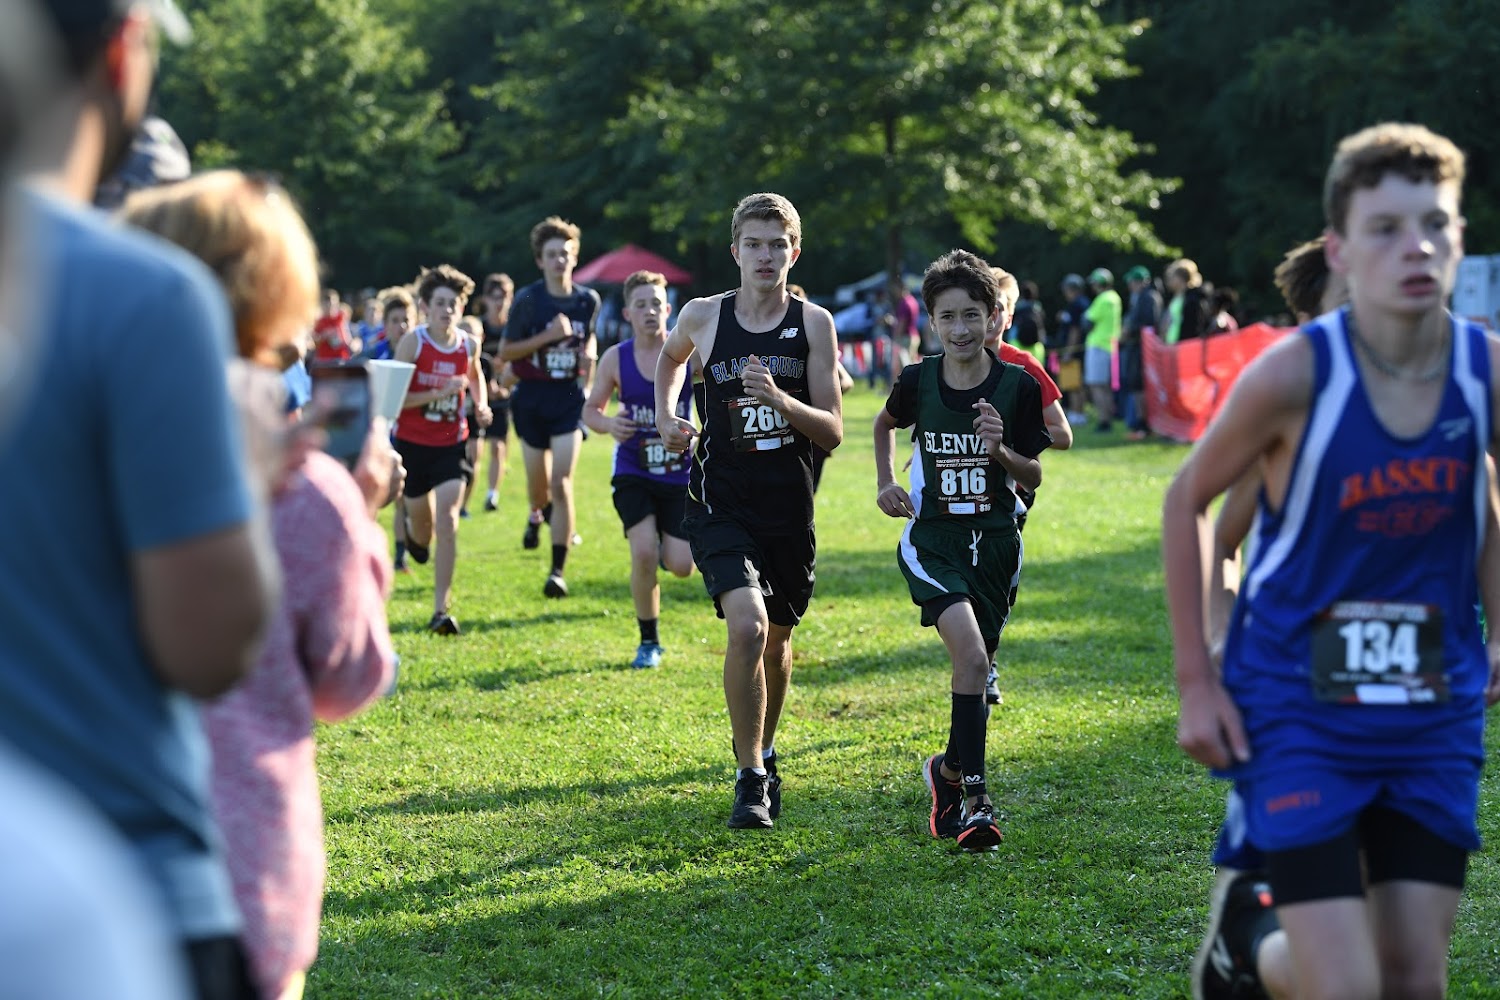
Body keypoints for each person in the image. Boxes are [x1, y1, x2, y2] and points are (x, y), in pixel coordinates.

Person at [1163, 122, 1499, 1000]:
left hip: (1431, 707)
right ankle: (1252, 942)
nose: (1416, 246)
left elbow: (1491, 510)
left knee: (1412, 981)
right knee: (1347, 987)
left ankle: (1250, 942)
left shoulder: (1484, 373)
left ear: (1460, 237)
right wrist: (1198, 678)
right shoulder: (1294, 376)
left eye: (1436, 224)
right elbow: (1188, 502)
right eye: (1386, 229)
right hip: (1298, 705)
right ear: (1340, 250)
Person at [7, 2, 280, 996]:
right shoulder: (141, 297)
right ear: (123, 54)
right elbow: (206, 646)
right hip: (121, 894)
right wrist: (248, 475)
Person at [124, 168, 402, 1000]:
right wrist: (358, 517)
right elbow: (348, 679)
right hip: (239, 876)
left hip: (69, 873)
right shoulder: (303, 490)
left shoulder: (60, 452)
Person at [655, 192, 843, 829]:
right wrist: (666, 415)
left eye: (777, 245)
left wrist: (781, 402)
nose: (766, 256)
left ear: (795, 252)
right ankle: (751, 775)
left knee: (778, 639)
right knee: (749, 627)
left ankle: (764, 747)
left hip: (787, 507)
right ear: (735, 251)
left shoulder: (814, 323)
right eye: (754, 245)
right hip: (720, 502)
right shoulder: (703, 315)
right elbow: (670, 359)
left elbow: (833, 431)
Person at [874, 249, 1050, 850]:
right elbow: (884, 424)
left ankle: (947, 772)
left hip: (997, 545)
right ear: (930, 322)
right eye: (947, 317)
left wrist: (1001, 450)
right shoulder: (918, 380)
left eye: (971, 315)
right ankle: (977, 802)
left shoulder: (1018, 386)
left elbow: (1034, 474)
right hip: (934, 542)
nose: (960, 329)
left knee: (976, 672)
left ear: (993, 316)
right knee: (973, 660)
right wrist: (886, 482)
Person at [582, 270, 696, 669]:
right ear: (628, 313)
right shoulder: (616, 358)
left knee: (682, 566)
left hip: (679, 473)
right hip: (633, 470)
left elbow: (717, 397)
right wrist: (609, 424)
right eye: (641, 305)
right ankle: (649, 641)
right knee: (643, 553)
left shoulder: (689, 354)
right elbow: (590, 411)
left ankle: (666, 548)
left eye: (656, 304)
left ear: (669, 309)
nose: (650, 311)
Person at [500, 217, 600, 597]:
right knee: (539, 490)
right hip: (530, 400)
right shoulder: (528, 299)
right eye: (552, 254)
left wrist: (589, 361)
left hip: (568, 401)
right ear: (540, 260)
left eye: (566, 254)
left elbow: (588, 339)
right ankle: (535, 515)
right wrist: (548, 335)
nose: (560, 260)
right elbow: (506, 351)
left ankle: (557, 571)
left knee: (562, 482)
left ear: (575, 258)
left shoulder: (587, 300)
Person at [394, 264, 490, 634]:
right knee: (423, 533)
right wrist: (437, 393)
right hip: (413, 445)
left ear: (461, 308)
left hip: (451, 444)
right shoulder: (413, 344)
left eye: (453, 304)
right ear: (425, 307)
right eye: (440, 303)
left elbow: (475, 376)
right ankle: (414, 536)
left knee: (449, 520)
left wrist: (480, 404)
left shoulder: (468, 344)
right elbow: (394, 400)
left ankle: (440, 610)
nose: (447, 310)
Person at [478, 272, 515, 513]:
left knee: (498, 447)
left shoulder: (513, 329)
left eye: (504, 297)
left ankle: (492, 495)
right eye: (494, 297)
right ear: (486, 299)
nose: (499, 302)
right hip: (479, 396)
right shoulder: (478, 328)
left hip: (504, 395)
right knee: (475, 449)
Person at [1119, 265, 1160, 441]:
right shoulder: (1139, 297)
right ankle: (1140, 423)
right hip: (1135, 348)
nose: (1130, 285)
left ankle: (1144, 425)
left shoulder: (1148, 297)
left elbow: (1149, 323)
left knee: (1140, 386)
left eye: (1133, 281)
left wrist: (1129, 330)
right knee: (1136, 386)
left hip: (1142, 349)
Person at [456, 314, 491, 519]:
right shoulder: (452, 356)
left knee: (474, 461)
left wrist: (483, 406)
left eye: (473, 334)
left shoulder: (483, 363)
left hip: (474, 417)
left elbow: (487, 386)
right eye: (465, 333)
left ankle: (464, 505)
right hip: (454, 419)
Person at [1081, 267, 1121, 432]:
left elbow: (1087, 321)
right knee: (1105, 386)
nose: (1093, 286)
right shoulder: (1115, 297)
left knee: (1096, 385)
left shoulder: (1103, 298)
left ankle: (1104, 421)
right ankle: (1107, 419)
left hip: (1098, 345)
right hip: (1109, 345)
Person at [1055, 273, 1090, 423]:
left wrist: (1069, 351)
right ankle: (1079, 412)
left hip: (1074, 349)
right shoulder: (1083, 303)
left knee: (1073, 383)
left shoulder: (1076, 305)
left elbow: (1075, 330)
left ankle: (1077, 413)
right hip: (1079, 348)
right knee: (1077, 382)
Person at [1163, 258, 1211, 344]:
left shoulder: (1193, 299)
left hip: (1185, 346)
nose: (1169, 280)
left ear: (1180, 278)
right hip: (1173, 345)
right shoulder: (1177, 297)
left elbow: (1194, 326)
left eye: (1173, 276)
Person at [312, 287, 358, 361]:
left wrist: (354, 344)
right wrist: (324, 336)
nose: (331, 307)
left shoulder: (341, 319)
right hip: (324, 360)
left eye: (333, 305)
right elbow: (314, 343)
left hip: (341, 358)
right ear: (323, 305)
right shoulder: (319, 322)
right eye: (328, 304)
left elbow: (348, 340)